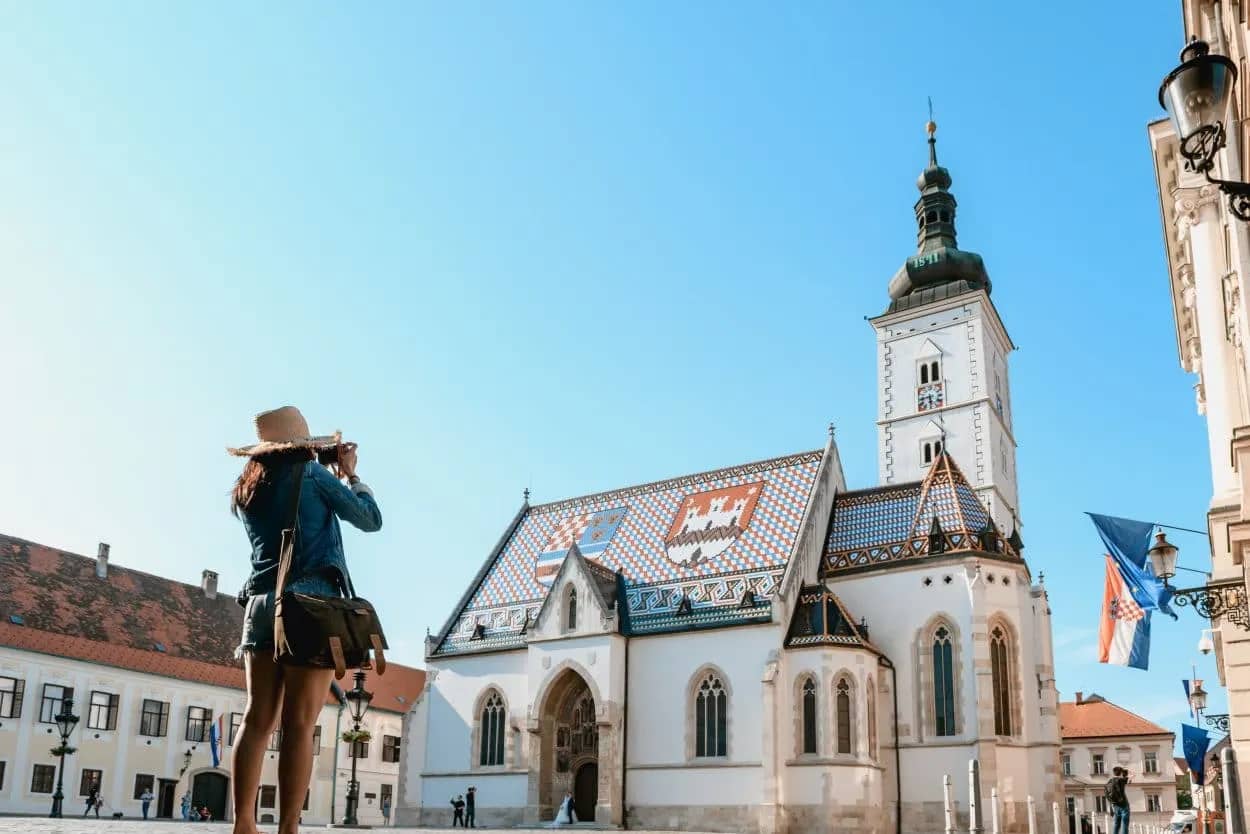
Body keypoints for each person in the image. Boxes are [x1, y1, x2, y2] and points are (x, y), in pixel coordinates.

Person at [227, 406, 383, 834]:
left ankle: (243, 822)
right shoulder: (314, 477)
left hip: (259, 606)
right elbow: (370, 520)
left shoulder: (247, 489)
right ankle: (289, 827)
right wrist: (350, 474)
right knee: (299, 723)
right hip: (308, 607)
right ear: (302, 447)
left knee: (257, 718)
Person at [1105, 766, 1130, 834]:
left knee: (1117, 824)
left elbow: (1107, 794)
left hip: (1115, 805)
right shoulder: (1121, 780)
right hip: (1123, 804)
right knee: (1125, 824)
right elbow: (1131, 778)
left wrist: (1112, 803)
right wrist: (1127, 771)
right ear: (1121, 773)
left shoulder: (1109, 782)